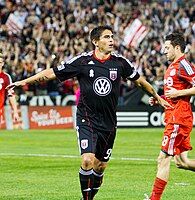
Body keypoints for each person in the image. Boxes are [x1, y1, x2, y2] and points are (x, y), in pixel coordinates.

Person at [7, 26, 170, 200]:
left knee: (100, 167)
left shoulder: (120, 62)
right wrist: (22, 81)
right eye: (106, 37)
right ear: (95, 42)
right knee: (87, 161)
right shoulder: (82, 62)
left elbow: (140, 82)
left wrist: (157, 97)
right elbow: (51, 73)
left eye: (112, 37)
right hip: (87, 118)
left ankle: (89, 197)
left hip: (108, 122)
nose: (111, 40)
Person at [147, 32, 195, 200]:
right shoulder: (173, 66)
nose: (164, 51)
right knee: (182, 163)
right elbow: (172, 93)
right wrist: (160, 99)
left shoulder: (184, 65)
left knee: (163, 158)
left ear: (177, 47)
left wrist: (178, 93)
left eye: (167, 48)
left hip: (179, 119)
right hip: (173, 117)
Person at [0, 53, 19, 128]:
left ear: (3, 64)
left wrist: (15, 111)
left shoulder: (6, 77)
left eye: (0, 62)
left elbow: (11, 95)